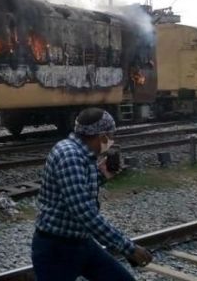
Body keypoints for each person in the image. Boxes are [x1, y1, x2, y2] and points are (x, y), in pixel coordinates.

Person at [31, 107, 153, 281]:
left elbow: (77, 189)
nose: (111, 140)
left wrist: (101, 175)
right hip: (57, 249)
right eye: (111, 136)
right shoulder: (70, 156)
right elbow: (85, 213)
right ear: (102, 136)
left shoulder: (82, 153)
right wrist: (129, 248)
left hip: (80, 242)